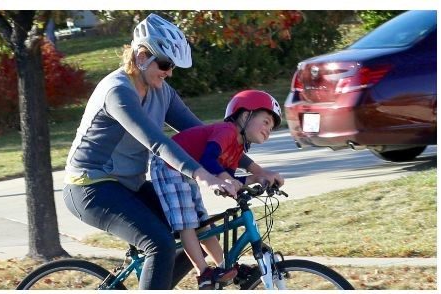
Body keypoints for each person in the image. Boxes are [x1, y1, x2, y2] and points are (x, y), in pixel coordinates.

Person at [62, 13, 284, 289]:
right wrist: (204, 176)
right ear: (141, 56)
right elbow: (157, 142)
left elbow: (204, 134)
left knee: (195, 230)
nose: (169, 72)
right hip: (90, 187)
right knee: (160, 244)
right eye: (165, 64)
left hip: (129, 185)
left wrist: (256, 169)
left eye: (172, 67)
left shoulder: (161, 91)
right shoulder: (118, 92)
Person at [148, 90, 282, 290]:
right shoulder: (227, 131)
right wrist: (227, 179)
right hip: (168, 165)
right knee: (187, 222)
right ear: (245, 115)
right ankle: (204, 273)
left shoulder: (237, 147)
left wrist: (257, 178)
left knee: (203, 223)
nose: (268, 129)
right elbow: (209, 159)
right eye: (265, 121)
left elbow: (226, 174)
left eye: (271, 127)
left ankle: (223, 266)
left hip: (188, 172)